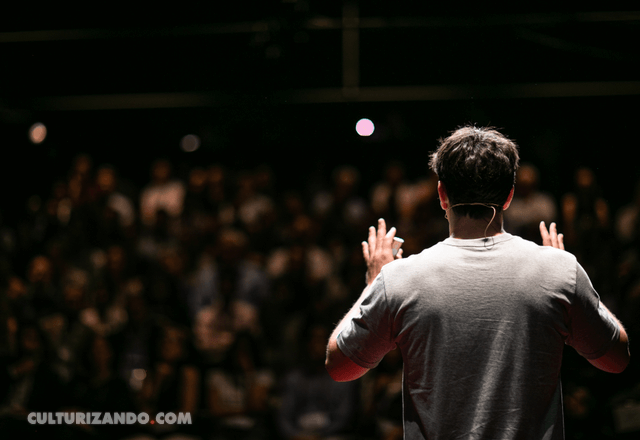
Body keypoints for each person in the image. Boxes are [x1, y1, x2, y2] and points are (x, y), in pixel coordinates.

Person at [325, 125, 630, 439]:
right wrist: (566, 279)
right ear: (509, 195)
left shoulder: (399, 278)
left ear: (442, 194)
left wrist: (374, 283)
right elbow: (617, 359)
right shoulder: (559, 270)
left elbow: (340, 366)